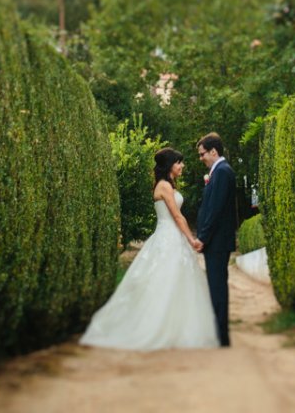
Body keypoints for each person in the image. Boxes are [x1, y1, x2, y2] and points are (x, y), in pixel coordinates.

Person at [80, 147, 219, 350]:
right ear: (170, 165)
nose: (182, 165)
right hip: (169, 238)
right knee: (165, 281)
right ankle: (158, 327)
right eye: (179, 162)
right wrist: (192, 239)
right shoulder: (164, 186)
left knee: (175, 282)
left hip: (171, 237)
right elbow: (177, 216)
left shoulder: (166, 185)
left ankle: (175, 328)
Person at [193, 132, 239, 346]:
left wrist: (203, 237)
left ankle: (221, 336)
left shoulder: (222, 172)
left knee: (217, 287)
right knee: (215, 286)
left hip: (217, 242)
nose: (200, 158)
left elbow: (215, 209)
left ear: (213, 151)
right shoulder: (219, 171)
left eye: (202, 154)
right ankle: (219, 333)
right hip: (217, 241)